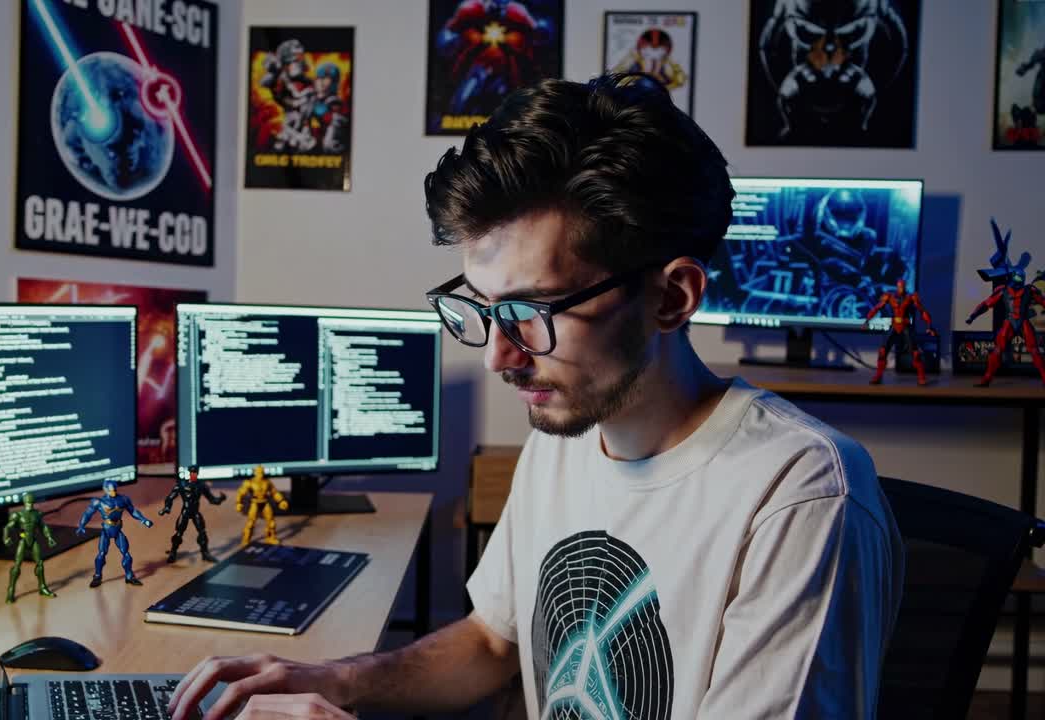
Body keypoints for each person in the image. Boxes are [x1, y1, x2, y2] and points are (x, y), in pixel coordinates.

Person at [168, 73, 905, 720]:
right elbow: (495, 639)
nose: (498, 355)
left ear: (672, 296)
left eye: (534, 312)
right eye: (484, 309)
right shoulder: (569, 435)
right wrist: (337, 679)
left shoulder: (801, 496)